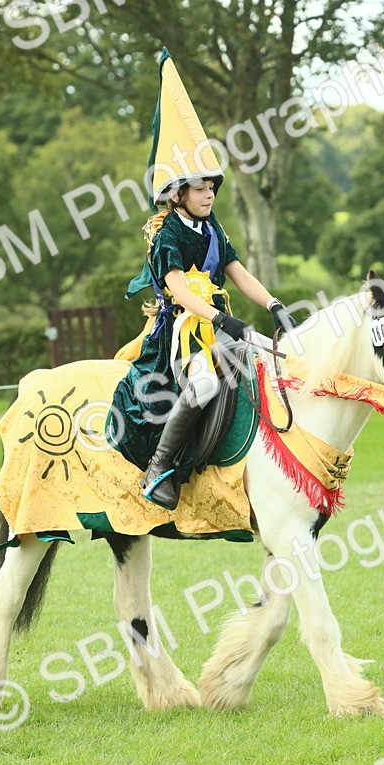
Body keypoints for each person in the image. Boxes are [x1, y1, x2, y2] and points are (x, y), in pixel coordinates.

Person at [110, 49, 292, 510]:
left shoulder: (213, 229)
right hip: (181, 330)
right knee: (207, 385)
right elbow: (176, 287)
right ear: (178, 193)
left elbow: (239, 272)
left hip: (216, 324)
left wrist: (273, 304)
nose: (209, 193)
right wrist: (220, 319)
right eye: (200, 187)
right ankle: (160, 468)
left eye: (212, 187)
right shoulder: (167, 234)